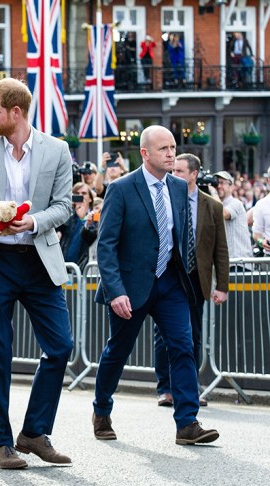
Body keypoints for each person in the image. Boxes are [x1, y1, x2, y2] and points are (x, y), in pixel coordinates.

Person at [0, 78, 73, 469]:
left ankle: (35, 432)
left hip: (39, 261)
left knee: (61, 347)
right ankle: (2, 443)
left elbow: (64, 206)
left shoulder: (57, 150)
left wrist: (35, 222)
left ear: (15, 113)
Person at [92, 125, 219, 446]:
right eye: (164, 149)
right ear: (145, 153)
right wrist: (115, 290)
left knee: (183, 347)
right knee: (117, 351)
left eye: (173, 147)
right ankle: (102, 410)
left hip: (170, 284)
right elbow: (106, 245)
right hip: (130, 287)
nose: (171, 153)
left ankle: (187, 423)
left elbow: (181, 235)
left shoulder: (178, 187)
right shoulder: (121, 188)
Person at [154, 153, 229, 408]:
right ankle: (165, 388)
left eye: (179, 172)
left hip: (197, 278)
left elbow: (220, 249)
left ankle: (189, 388)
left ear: (194, 174)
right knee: (164, 335)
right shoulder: (165, 199)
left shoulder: (213, 206)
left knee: (193, 335)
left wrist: (222, 286)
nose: (174, 176)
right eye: (172, 171)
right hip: (170, 275)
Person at [214, 171, 253, 262]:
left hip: (239, 262)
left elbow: (223, 213)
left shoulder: (236, 203)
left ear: (231, 187)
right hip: (225, 262)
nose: (218, 186)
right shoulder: (214, 205)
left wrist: (213, 193)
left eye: (222, 183)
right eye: (216, 183)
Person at [58, 182, 97, 269]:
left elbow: (91, 237)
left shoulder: (95, 216)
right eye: (77, 194)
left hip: (83, 269)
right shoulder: (68, 218)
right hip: (65, 268)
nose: (80, 196)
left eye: (83, 193)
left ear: (90, 198)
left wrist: (83, 220)